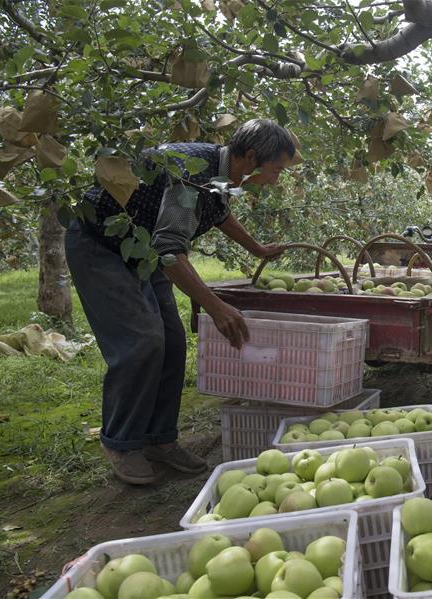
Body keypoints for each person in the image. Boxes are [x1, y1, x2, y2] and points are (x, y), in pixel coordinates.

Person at [65, 119, 296, 485]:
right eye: (275, 170)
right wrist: (215, 305)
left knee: (172, 340)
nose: (274, 180)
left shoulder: (220, 173)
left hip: (144, 248)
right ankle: (121, 442)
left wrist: (258, 249)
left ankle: (159, 439)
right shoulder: (193, 173)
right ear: (251, 157)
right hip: (101, 245)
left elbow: (217, 213)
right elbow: (170, 251)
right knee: (142, 341)